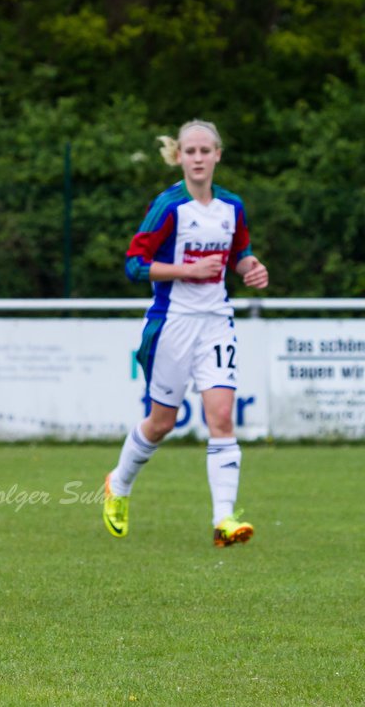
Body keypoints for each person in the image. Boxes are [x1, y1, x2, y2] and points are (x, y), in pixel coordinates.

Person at [102, 120, 269, 546]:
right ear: (179, 156)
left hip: (216, 322)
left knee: (222, 417)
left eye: (205, 151)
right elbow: (134, 264)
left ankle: (224, 521)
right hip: (171, 325)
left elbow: (240, 253)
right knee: (162, 423)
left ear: (218, 155)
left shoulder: (233, 206)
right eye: (190, 151)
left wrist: (251, 268)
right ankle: (118, 484)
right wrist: (187, 270)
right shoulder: (169, 207)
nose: (197, 158)